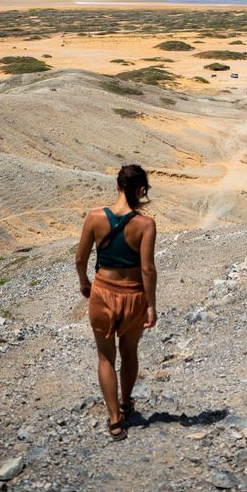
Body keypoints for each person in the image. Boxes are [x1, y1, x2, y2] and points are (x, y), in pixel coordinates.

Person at [75, 164, 157, 441]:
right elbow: (147, 269)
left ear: (117, 186)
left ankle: (114, 420)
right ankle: (126, 402)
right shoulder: (145, 224)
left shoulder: (95, 217)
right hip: (134, 295)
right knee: (130, 351)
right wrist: (151, 305)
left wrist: (85, 283)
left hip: (102, 293)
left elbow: (80, 258)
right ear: (141, 190)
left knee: (105, 357)